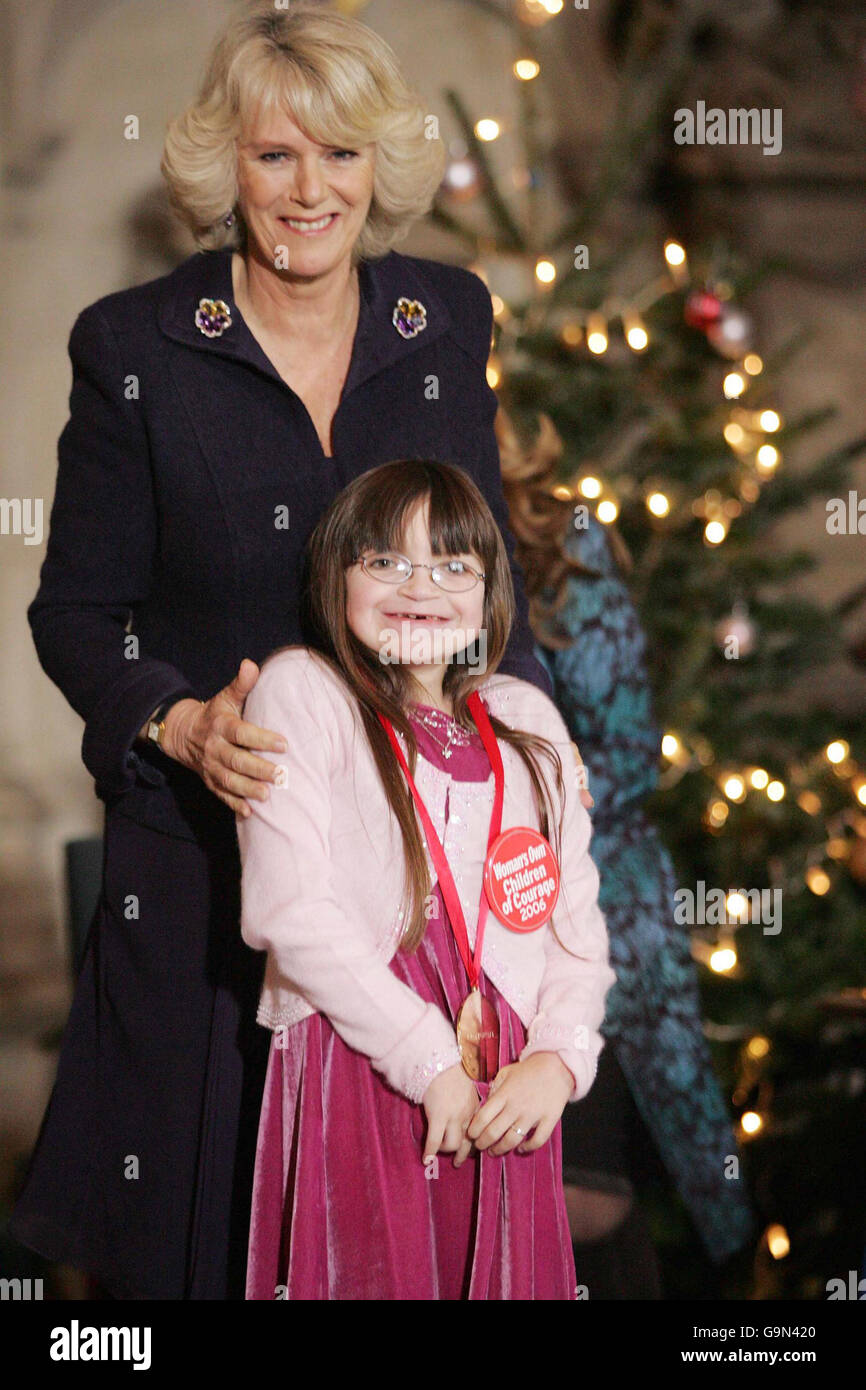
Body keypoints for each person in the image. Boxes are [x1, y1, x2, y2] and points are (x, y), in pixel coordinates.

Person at [9, 3, 554, 1299]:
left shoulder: (446, 320)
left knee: (385, 1238)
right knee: (200, 1242)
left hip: (416, 878)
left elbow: (489, 594)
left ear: (381, 171)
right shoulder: (134, 346)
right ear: (223, 169)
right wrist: (177, 720)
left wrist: (520, 804)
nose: (311, 191)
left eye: (342, 156)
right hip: (206, 869)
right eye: (275, 157)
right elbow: (76, 613)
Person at [237, 458, 616, 1300]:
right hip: (365, 1060)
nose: (421, 587)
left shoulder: (528, 722)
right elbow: (287, 912)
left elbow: (579, 942)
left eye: (454, 566)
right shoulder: (305, 692)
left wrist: (558, 1061)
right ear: (337, 575)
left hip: (506, 1091)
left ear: (489, 597)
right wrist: (426, 1059)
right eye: (386, 562)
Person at [498, 409, 756, 1297]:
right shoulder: (367, 529)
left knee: (577, 1195)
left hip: (564, 894)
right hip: (418, 921)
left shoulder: (558, 539)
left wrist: (519, 834)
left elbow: (625, 757)